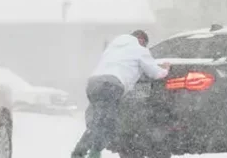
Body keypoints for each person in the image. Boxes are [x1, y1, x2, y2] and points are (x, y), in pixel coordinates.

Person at [71, 30, 170, 158]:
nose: (144, 47)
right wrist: (165, 68)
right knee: (108, 124)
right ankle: (93, 154)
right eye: (144, 44)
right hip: (111, 86)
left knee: (98, 123)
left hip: (93, 84)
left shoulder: (113, 48)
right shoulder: (139, 50)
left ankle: (79, 153)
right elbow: (156, 73)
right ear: (141, 40)